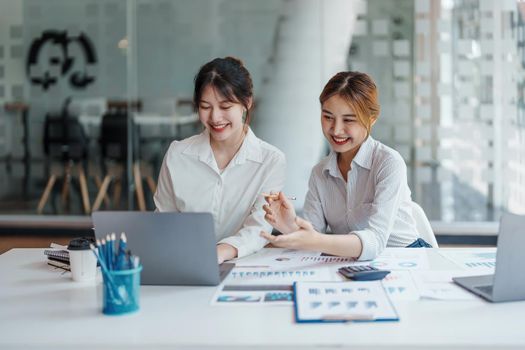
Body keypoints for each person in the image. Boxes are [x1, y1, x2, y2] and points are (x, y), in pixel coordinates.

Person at [261, 71, 428, 261]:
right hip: (352, 262)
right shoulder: (320, 173)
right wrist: (289, 226)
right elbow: (312, 234)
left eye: (348, 120)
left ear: (372, 119)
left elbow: (376, 240)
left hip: (407, 259)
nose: (336, 130)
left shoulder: (389, 163)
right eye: (328, 117)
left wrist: (314, 241)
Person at [154, 57, 286, 263]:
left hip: (242, 267)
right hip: (183, 263)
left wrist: (220, 252)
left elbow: (259, 228)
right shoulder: (177, 154)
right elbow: (163, 222)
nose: (215, 117)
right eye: (205, 106)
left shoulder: (270, 161)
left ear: (246, 103)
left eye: (225, 106)